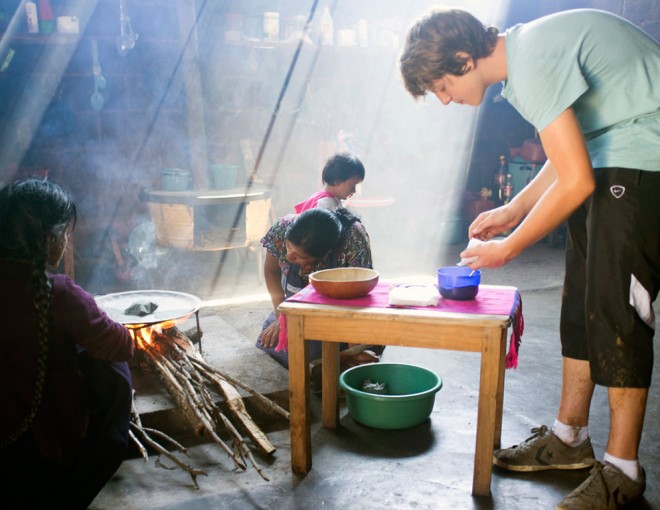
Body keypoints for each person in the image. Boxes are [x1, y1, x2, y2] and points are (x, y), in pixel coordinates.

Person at [400, 7, 659, 509]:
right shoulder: (524, 63)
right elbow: (573, 149)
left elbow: (577, 179)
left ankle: (624, 470)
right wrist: (513, 209)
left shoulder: (535, 58)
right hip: (614, 151)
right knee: (583, 303)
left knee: (617, 310)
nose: (445, 100)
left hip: (645, 156)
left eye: (441, 87)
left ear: (462, 58)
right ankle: (568, 439)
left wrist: (508, 247)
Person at [0, 178, 135, 509]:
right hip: (38, 446)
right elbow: (121, 345)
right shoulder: (57, 294)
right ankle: (76, 481)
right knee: (112, 368)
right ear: (50, 241)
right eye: (64, 235)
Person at [257, 207, 382, 371]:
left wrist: (353, 349)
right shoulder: (283, 227)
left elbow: (358, 296)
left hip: (344, 312)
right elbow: (271, 271)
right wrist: (282, 316)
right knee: (270, 342)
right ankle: (334, 361)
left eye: (301, 257)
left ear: (325, 253)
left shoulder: (354, 239)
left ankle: (340, 358)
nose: (289, 256)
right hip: (296, 307)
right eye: (288, 246)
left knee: (311, 353)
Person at [294, 152, 365, 213]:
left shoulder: (323, 198)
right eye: (353, 185)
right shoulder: (326, 203)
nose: (354, 191)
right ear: (337, 180)